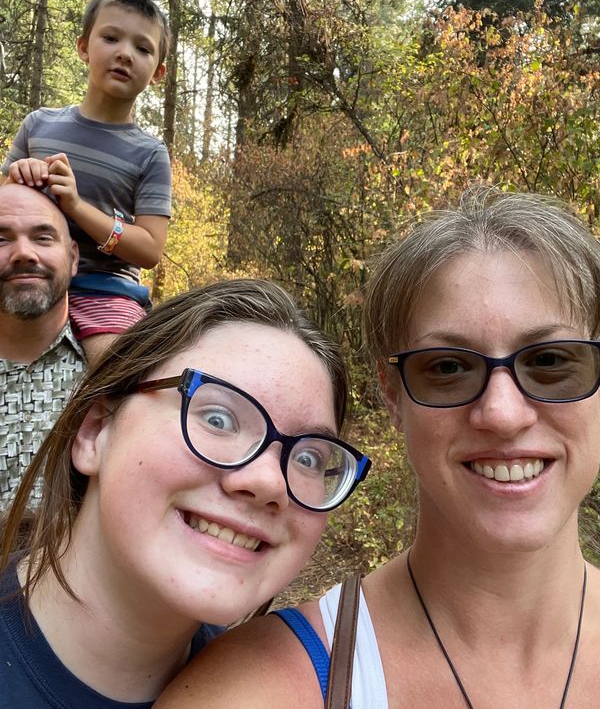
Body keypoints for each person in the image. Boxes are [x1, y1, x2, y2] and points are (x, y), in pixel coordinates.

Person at [156, 186, 600, 709]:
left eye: (549, 361)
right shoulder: (257, 689)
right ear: (393, 397)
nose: (503, 414)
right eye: (448, 368)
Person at [0, 277, 371, 708]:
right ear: (95, 430)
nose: (270, 482)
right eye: (218, 418)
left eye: (308, 458)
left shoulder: (263, 691)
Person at [2, 0, 171, 362]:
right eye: (110, 38)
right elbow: (3, 209)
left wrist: (77, 207)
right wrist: (18, 179)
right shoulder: (38, 126)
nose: (124, 53)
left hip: (105, 293)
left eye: (142, 48)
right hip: (27, 277)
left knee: (112, 376)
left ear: (158, 71)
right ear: (83, 47)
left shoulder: (150, 154)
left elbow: (149, 249)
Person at [0, 183, 84, 509]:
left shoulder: (117, 371)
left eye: (43, 237)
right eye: (2, 239)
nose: (23, 253)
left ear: (73, 258)